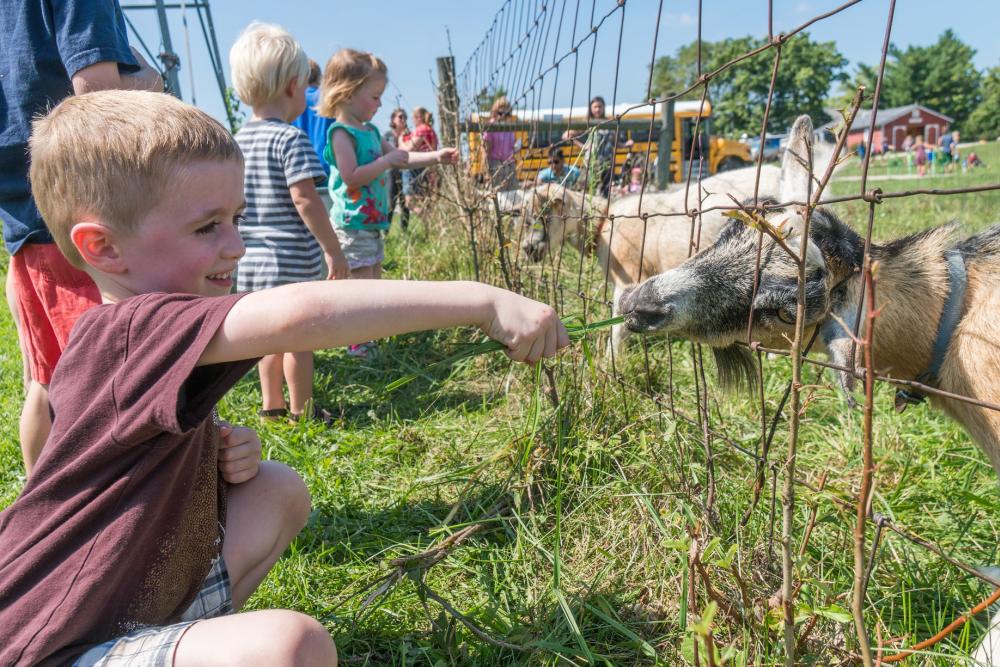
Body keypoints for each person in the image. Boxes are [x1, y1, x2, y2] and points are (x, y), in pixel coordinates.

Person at [0, 88, 568, 666]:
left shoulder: (130, 334)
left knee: (275, 487)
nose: (237, 244)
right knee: (289, 648)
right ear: (103, 247)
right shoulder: (134, 329)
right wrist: (479, 300)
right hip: (47, 647)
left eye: (235, 218)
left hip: (115, 601)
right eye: (207, 228)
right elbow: (295, 315)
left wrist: (212, 463)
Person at [0, 0, 163, 477]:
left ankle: (41, 516)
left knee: (45, 380)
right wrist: (154, 83)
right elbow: (96, 91)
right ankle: (104, 513)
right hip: (83, 203)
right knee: (107, 380)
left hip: (23, 215)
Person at [229, 23, 349, 423]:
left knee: (268, 340)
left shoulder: (235, 142)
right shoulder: (290, 139)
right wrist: (333, 250)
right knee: (300, 341)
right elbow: (305, 198)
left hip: (250, 261)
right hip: (291, 261)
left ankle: (271, 407)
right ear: (295, 85)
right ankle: (304, 411)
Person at [318, 50, 458, 358]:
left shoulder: (369, 132)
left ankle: (369, 335)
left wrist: (436, 157)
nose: (380, 104)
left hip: (372, 223)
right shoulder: (341, 133)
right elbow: (351, 176)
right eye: (375, 96)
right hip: (352, 224)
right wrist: (385, 161)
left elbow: (402, 157)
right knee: (360, 286)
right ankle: (356, 343)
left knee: (374, 281)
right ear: (349, 93)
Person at [291, 59, 334, 181]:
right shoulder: (328, 98)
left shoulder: (291, 100)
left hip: (299, 169)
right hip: (327, 167)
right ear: (319, 78)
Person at [400, 106, 441, 211]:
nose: (412, 121)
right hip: (428, 167)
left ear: (418, 117)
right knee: (424, 200)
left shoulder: (422, 129)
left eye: (413, 118)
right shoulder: (430, 130)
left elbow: (409, 149)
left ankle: (425, 215)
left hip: (416, 167)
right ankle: (428, 221)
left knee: (410, 202)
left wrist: (401, 140)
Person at [382, 108, 411, 229]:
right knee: (390, 202)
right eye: (400, 117)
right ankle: (385, 232)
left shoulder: (408, 135)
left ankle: (405, 232)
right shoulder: (387, 136)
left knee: (405, 203)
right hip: (390, 172)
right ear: (393, 119)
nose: (403, 119)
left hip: (405, 172)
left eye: (404, 117)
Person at [483, 96, 518, 191]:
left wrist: (516, 148)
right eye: (501, 113)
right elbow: (486, 151)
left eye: (507, 114)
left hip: (510, 165)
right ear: (495, 112)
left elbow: (512, 146)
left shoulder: (509, 127)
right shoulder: (491, 126)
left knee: (514, 193)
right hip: (496, 165)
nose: (504, 116)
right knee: (498, 194)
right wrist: (486, 171)